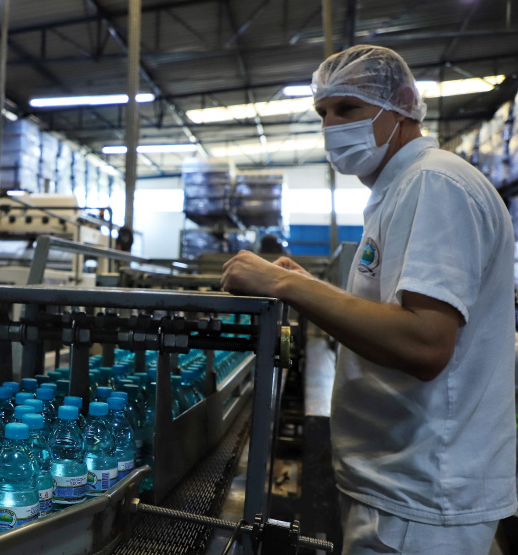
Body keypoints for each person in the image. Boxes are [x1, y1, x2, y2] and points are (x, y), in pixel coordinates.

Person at [221, 45, 516, 554]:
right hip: (400, 483)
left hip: (422, 496)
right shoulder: (402, 188)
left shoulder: (434, 183)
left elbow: (425, 343)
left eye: (348, 109)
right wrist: (314, 288)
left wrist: (288, 286)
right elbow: (397, 313)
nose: (331, 125)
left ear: (402, 104)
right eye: (323, 113)